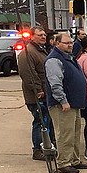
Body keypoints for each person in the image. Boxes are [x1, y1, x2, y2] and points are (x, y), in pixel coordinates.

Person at [44, 32, 87, 173]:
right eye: (66, 43)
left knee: (75, 132)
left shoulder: (69, 57)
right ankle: (64, 162)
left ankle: (75, 159)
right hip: (62, 105)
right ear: (57, 44)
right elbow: (55, 84)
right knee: (65, 134)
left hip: (74, 103)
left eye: (71, 42)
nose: (70, 45)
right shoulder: (54, 60)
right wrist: (63, 100)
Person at [17, 26, 55, 160]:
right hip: (36, 96)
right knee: (40, 122)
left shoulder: (41, 51)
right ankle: (38, 149)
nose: (43, 37)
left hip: (46, 94)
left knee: (47, 122)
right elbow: (28, 75)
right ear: (32, 36)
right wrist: (38, 90)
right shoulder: (28, 53)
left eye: (44, 35)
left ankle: (48, 146)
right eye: (40, 35)